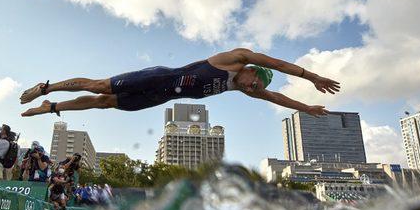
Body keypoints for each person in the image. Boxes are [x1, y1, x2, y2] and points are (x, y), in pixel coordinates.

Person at [20, 48, 340, 117]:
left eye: (254, 91)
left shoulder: (244, 87)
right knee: (100, 87)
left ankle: (52, 107)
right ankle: (48, 87)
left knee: (106, 105)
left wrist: (306, 108)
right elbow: (280, 63)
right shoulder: (236, 59)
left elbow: (277, 100)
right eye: (254, 84)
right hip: (160, 76)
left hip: (160, 97)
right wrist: (312, 77)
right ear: (252, 71)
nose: (252, 90)